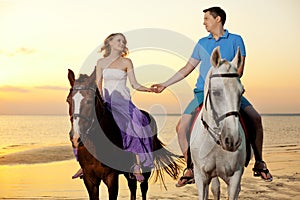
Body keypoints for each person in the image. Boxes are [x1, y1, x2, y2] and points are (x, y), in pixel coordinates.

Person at [151, 7, 272, 187]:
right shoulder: (201, 43)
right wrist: (165, 84)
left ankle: (259, 162)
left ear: (218, 19)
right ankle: (190, 167)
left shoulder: (236, 40)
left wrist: (226, 88)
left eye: (207, 18)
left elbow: (239, 70)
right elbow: (187, 68)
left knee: (255, 118)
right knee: (181, 126)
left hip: (229, 93)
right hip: (202, 93)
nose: (204, 22)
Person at [94, 33, 154, 182]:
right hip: (107, 101)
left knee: (136, 124)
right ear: (110, 43)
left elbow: (134, 84)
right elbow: (98, 84)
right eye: (118, 40)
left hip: (123, 102)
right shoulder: (101, 62)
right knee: (88, 124)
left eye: (123, 41)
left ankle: (135, 164)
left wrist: (148, 89)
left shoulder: (127, 62)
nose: (122, 43)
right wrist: (100, 101)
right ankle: (86, 164)